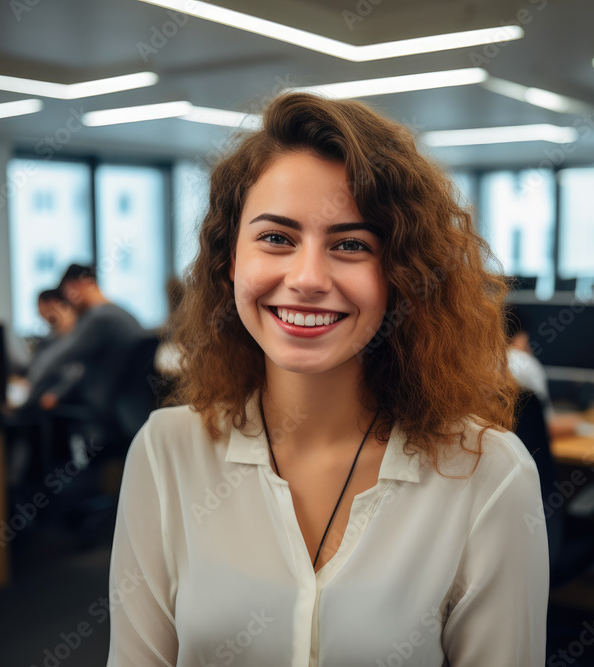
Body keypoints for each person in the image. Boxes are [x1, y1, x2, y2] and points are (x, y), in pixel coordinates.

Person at [107, 93, 548, 666]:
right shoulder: (166, 454)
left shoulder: (488, 475)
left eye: (350, 245)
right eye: (276, 238)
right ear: (230, 261)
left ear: (400, 274)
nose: (308, 278)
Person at [25, 264, 147, 415]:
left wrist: (28, 397)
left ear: (77, 285)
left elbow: (58, 357)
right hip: (129, 403)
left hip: (106, 408)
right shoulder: (123, 314)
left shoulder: (98, 318)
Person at [505, 305, 580, 438]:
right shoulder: (525, 363)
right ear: (522, 336)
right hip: (530, 452)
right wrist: (579, 423)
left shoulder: (480, 365)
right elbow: (548, 427)